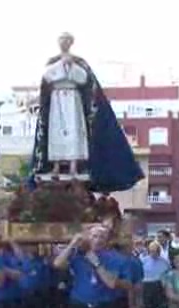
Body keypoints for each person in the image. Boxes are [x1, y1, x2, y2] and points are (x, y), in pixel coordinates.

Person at [31, 32, 144, 192]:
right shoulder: (53, 62)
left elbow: (84, 79)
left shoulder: (79, 62)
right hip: (57, 101)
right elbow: (47, 77)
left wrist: (71, 66)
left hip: (73, 101)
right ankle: (55, 165)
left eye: (66, 40)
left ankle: (73, 166)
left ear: (71, 42)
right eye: (61, 40)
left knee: (75, 132)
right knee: (55, 132)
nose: (64, 43)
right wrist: (61, 65)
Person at [139, 241, 172, 308]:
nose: (154, 253)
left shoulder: (164, 262)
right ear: (149, 251)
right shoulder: (143, 261)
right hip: (147, 286)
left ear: (159, 251)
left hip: (160, 287)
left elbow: (169, 275)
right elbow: (140, 276)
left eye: (156, 251)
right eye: (152, 251)